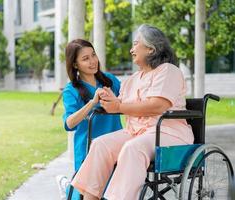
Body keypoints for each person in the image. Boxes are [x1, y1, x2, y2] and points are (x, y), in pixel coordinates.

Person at [71, 24, 194, 200]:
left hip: (167, 132)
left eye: (136, 44)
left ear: (151, 49)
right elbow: (121, 104)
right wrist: (110, 100)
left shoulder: (168, 71)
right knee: (100, 144)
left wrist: (119, 107)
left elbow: (157, 106)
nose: (131, 50)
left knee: (132, 148)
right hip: (136, 132)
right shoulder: (134, 79)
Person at [62, 39, 123, 199]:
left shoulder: (110, 81)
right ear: (75, 65)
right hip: (88, 149)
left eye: (93, 55)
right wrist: (92, 103)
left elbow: (126, 100)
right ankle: (69, 189)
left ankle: (67, 187)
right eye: (85, 58)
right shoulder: (71, 90)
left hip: (116, 144)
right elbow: (69, 123)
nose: (92, 61)